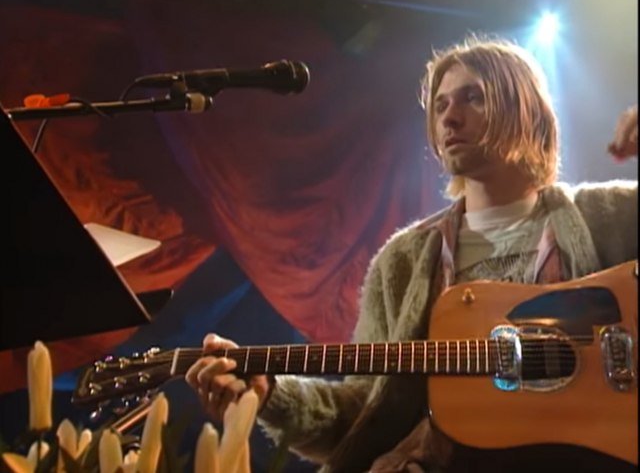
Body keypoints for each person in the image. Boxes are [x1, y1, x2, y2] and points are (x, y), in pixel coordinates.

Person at [185, 35, 638, 472]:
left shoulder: (614, 216)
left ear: (527, 111)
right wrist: (270, 393)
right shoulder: (402, 262)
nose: (450, 118)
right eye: (440, 105)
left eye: (473, 98)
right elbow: (363, 413)